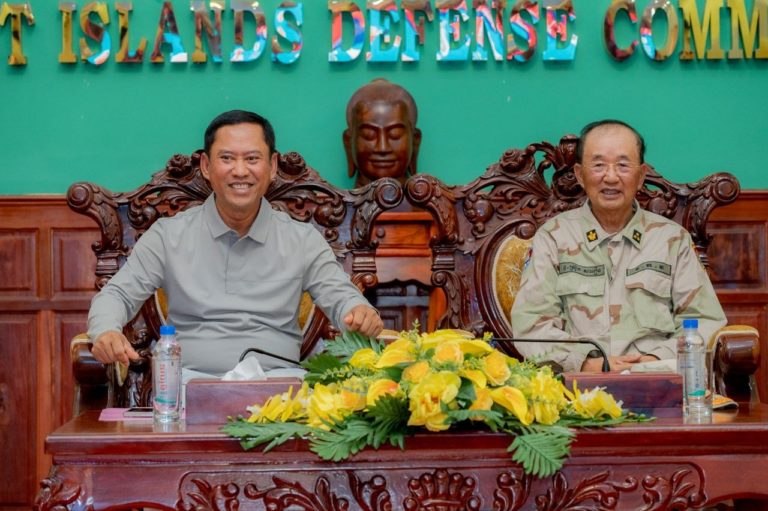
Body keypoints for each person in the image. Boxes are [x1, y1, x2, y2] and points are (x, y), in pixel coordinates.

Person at [88, 110, 383, 376]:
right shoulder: (167, 235)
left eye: (252, 159)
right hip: (189, 388)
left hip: (278, 390)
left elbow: (342, 297)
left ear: (272, 166)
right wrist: (106, 331)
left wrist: (359, 312)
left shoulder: (302, 239)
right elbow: (117, 295)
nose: (240, 171)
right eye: (227, 158)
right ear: (206, 166)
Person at [510, 120, 726, 373]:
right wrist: (586, 364)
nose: (610, 177)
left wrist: (654, 361)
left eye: (623, 165)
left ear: (641, 176)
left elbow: (704, 320)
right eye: (598, 165)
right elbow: (531, 325)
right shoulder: (554, 238)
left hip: (656, 383)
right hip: (578, 385)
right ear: (579, 175)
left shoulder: (672, 240)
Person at [344, 78, 422, 188]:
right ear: (348, 142)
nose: (382, 148)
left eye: (395, 134)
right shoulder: (326, 199)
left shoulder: (440, 198)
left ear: (415, 141)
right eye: (368, 134)